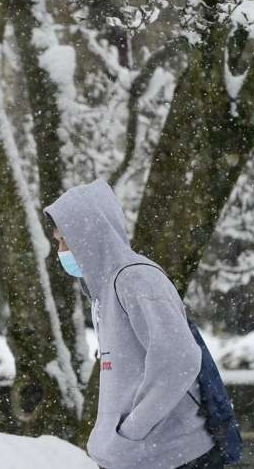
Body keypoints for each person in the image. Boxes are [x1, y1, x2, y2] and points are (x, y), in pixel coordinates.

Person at [43, 178, 223, 469]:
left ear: (89, 235)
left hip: (174, 456)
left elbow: (180, 360)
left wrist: (132, 432)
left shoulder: (135, 280)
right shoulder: (106, 290)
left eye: (65, 240)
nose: (60, 250)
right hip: (143, 457)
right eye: (58, 242)